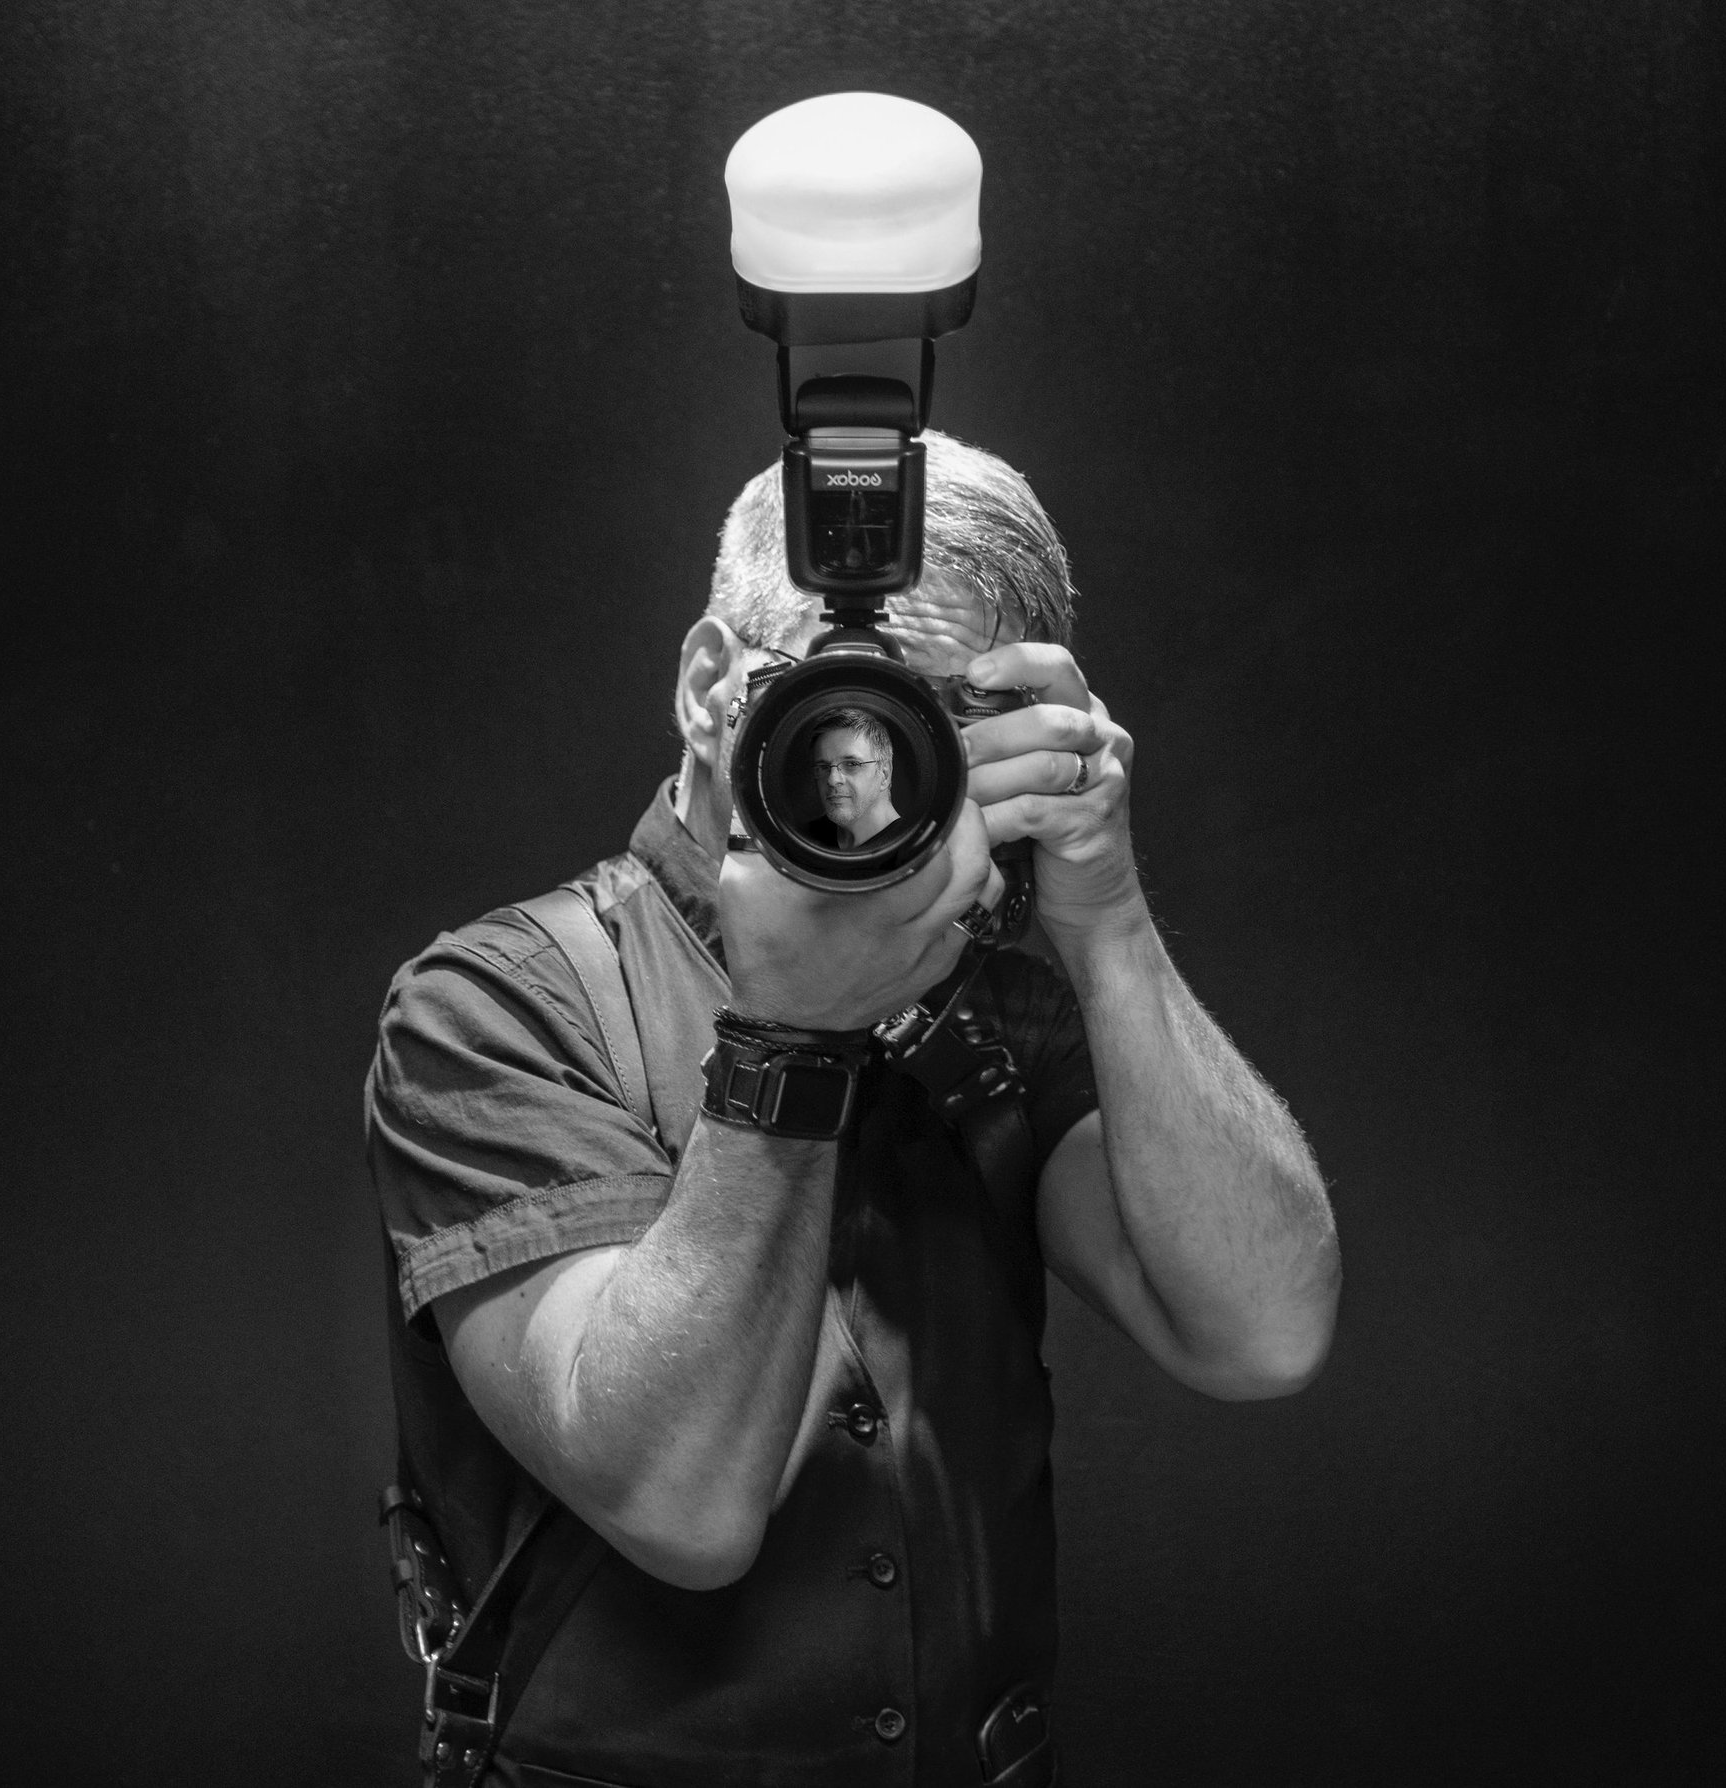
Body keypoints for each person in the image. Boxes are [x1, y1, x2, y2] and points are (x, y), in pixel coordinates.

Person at [366, 429, 1341, 1787]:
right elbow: (683, 1505)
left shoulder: (1003, 1000)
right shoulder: (498, 1006)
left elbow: (1262, 1333)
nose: (860, 768)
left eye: (940, 715)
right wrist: (792, 1033)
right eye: (829, 696)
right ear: (712, 687)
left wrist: (1106, 919)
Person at [805, 707, 902, 850]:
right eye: (824, 767)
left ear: (884, 774)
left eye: (851, 764)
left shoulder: (917, 853)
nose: (832, 780)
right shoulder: (804, 840)